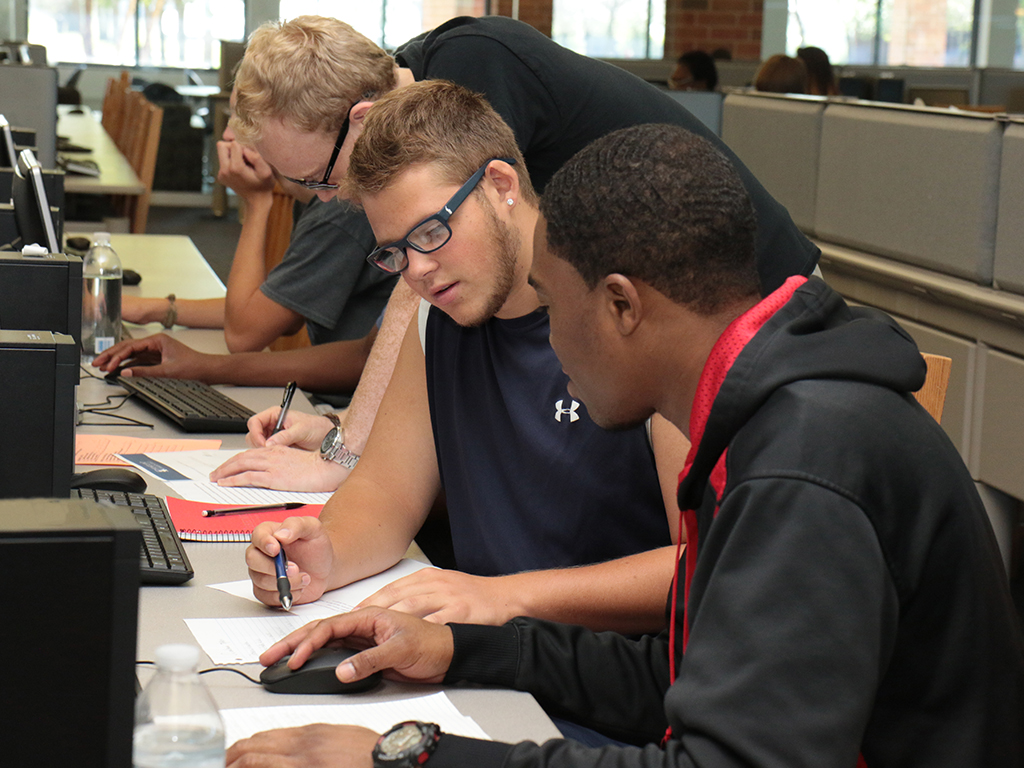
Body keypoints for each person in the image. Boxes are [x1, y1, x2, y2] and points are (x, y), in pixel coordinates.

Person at [226, 123, 1024, 768]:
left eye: (551, 302)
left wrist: (408, 756)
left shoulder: (802, 462)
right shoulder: (768, 410)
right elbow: (686, 676)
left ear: (620, 306)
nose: (549, 343)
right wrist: (466, 650)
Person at [211, 13, 820, 492]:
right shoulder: (423, 71)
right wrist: (354, 435)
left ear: (364, 120)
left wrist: (345, 458)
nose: (334, 199)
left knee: (726, 532)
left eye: (321, 179)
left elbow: (412, 298)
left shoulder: (469, 72)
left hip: (754, 300)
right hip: (657, 306)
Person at [239, 80, 688, 636]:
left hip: (611, 682)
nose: (417, 271)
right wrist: (326, 552)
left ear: (500, 184)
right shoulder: (437, 318)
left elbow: (702, 566)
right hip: (484, 658)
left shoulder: (635, 319)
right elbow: (386, 491)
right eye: (394, 253)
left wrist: (503, 597)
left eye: (431, 231)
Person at [94, 91, 401, 406]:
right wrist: (153, 310)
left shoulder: (338, 209)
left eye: (243, 118)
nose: (227, 135)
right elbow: (278, 307)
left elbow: (244, 333)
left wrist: (256, 203)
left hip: (353, 407)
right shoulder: (313, 197)